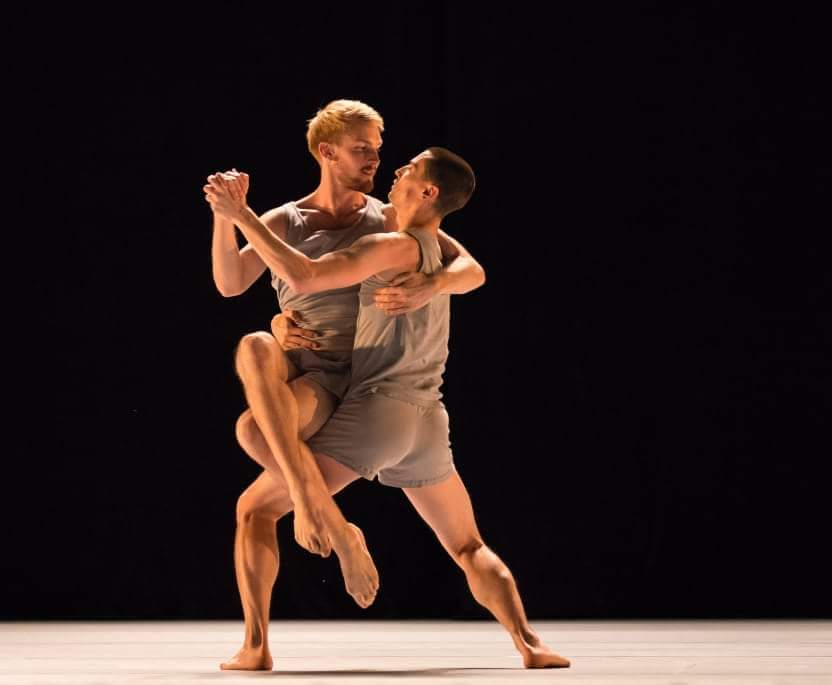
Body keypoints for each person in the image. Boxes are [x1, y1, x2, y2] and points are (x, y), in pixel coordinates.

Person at [205, 148, 571, 670]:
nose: (393, 171)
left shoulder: (390, 243)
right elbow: (475, 270)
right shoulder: (433, 249)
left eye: (407, 171)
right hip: (428, 417)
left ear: (427, 193)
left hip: (380, 411)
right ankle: (530, 644)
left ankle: (260, 641)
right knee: (467, 544)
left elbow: (305, 276)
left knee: (255, 507)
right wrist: (439, 281)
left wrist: (239, 216)